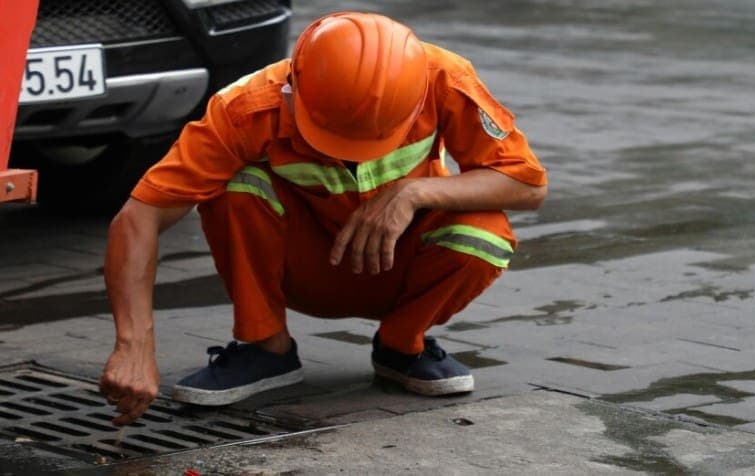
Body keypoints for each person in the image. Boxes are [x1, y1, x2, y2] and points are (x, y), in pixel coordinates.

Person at [99, 11, 547, 426]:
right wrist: (133, 346)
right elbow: (140, 216)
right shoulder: (245, 107)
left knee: (484, 229)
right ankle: (265, 346)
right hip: (304, 268)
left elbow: (528, 185)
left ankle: (401, 345)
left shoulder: (444, 79)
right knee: (234, 187)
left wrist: (413, 191)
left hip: (400, 264)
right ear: (291, 90)